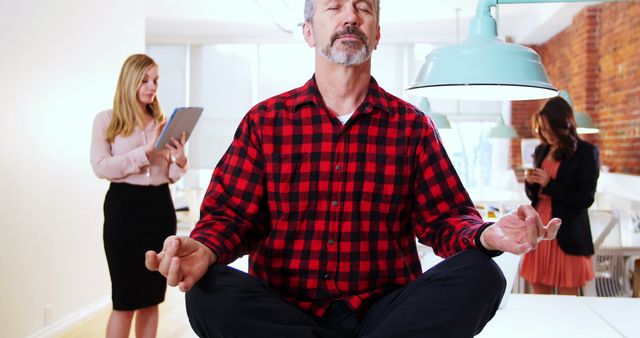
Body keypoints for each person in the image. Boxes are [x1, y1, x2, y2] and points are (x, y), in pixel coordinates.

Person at [145, 1, 561, 337]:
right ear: (308, 31)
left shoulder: (412, 127)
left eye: (364, 7)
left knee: (483, 276)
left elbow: (447, 218)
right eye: (334, 7)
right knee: (207, 292)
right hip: (285, 312)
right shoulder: (265, 121)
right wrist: (206, 248)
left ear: (377, 32)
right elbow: (231, 215)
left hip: (385, 314)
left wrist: (488, 234)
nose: (350, 16)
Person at [91, 53, 189, 338]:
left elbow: (169, 174)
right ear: (130, 80)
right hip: (124, 208)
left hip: (158, 207)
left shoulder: (160, 121)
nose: (151, 86)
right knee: (124, 300)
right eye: (145, 79)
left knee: (151, 298)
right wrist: (143, 152)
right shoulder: (106, 120)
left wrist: (179, 159)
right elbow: (100, 167)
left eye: (155, 80)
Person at [520, 96, 600, 296]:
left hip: (568, 231)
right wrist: (531, 183)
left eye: (550, 128)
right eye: (542, 129)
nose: (546, 134)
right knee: (539, 290)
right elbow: (535, 196)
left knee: (568, 294)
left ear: (563, 124)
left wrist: (550, 184)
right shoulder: (541, 149)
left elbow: (585, 199)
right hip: (540, 229)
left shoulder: (586, 152)